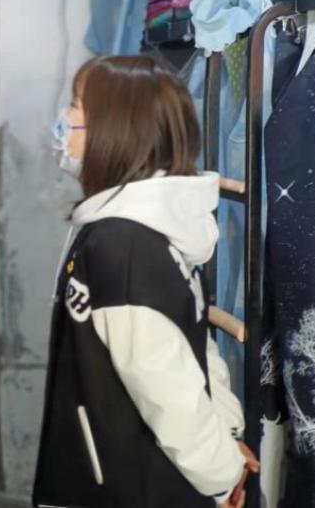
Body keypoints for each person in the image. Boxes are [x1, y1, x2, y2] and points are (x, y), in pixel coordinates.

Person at [33, 55, 260, 508]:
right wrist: (226, 441)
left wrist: (222, 471)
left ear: (116, 127)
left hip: (127, 487)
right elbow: (193, 348)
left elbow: (167, 386)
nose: (65, 119)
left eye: (76, 106)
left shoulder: (122, 246)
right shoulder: (137, 232)